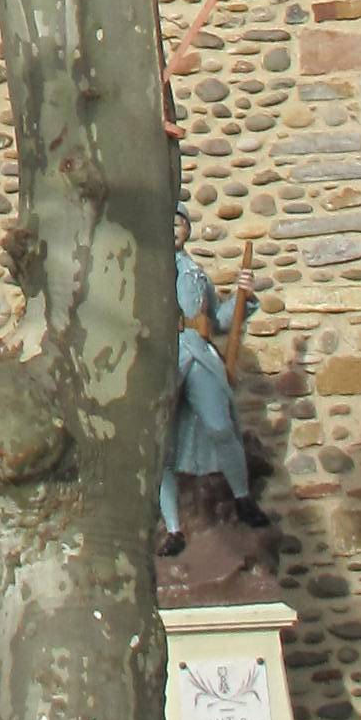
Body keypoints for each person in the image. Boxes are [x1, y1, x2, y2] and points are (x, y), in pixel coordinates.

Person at [161, 209, 258, 547]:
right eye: (168, 221)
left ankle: (243, 498)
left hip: (198, 353)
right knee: (162, 446)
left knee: (220, 426)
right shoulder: (145, 267)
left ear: (187, 229)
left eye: (179, 222)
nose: (174, 228)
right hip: (163, 359)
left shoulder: (196, 273)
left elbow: (217, 320)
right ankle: (173, 529)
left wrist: (242, 297)